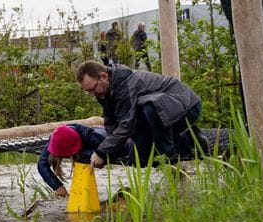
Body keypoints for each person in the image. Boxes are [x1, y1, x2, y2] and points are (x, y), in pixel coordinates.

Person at [76, 61, 208, 166]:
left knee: (152, 108)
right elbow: (112, 122)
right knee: (137, 160)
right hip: (160, 114)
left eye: (93, 88)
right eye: (88, 91)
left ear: (104, 76)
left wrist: (101, 152)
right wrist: (109, 153)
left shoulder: (125, 85)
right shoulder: (104, 90)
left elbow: (126, 125)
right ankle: (182, 143)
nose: (92, 94)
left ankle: (176, 151)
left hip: (187, 106)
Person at [37, 124, 106, 197]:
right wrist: (57, 186)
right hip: (79, 139)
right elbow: (42, 163)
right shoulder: (56, 137)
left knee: (84, 156)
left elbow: (111, 148)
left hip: (105, 135)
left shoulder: (95, 138)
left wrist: (100, 156)